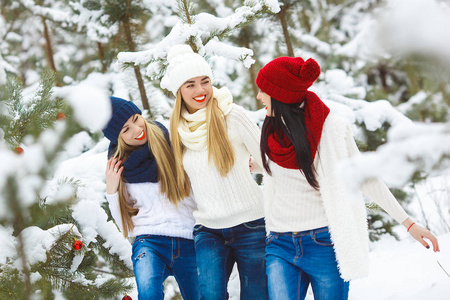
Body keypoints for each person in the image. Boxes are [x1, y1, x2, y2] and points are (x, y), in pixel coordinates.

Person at [255, 56, 440, 300]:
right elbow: (280, 170)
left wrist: (408, 223)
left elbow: (365, 178)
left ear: (282, 94)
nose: (259, 96)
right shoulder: (271, 128)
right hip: (279, 242)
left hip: (323, 242)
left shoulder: (331, 129)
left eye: (264, 90)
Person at [161, 44, 268, 300]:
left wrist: (254, 164)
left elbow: (270, 160)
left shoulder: (233, 116)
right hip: (208, 230)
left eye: (204, 81)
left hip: (252, 226)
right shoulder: (176, 131)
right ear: (179, 92)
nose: (200, 90)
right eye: (190, 85)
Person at [102, 96, 199, 300]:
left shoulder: (171, 143)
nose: (137, 129)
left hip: (188, 237)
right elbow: (126, 226)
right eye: (126, 129)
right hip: (149, 242)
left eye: (136, 118)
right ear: (117, 138)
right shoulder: (120, 167)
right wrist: (112, 189)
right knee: (148, 294)